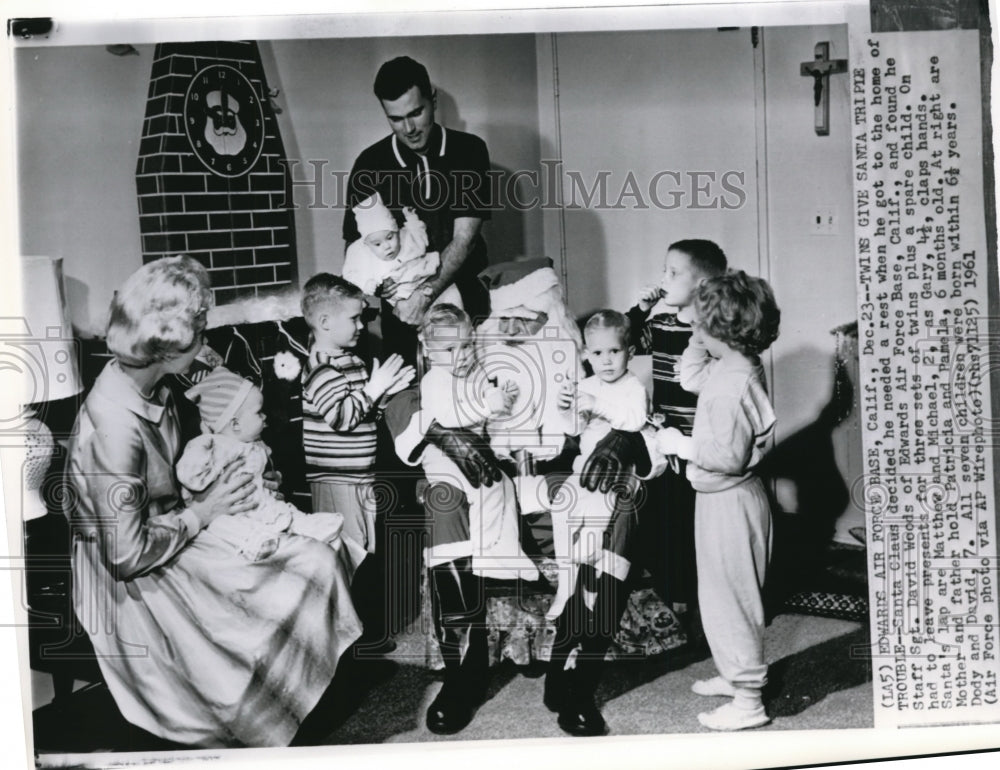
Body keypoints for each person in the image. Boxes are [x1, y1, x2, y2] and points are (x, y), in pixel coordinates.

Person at [64, 255, 364, 747]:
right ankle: (259, 709)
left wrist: (235, 489)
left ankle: (299, 692)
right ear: (164, 343)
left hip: (180, 527)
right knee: (295, 572)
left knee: (319, 553)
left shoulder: (156, 386)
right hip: (138, 572)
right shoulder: (114, 426)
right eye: (198, 330)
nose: (206, 339)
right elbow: (124, 555)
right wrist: (204, 512)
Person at [389, 259, 665, 738]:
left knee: (622, 498)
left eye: (529, 319)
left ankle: (575, 672)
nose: (515, 331)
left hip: (560, 483)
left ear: (555, 320)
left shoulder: (591, 362)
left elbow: (651, 424)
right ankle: (465, 672)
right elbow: (400, 400)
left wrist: (628, 441)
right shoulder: (467, 365)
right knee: (441, 498)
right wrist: (441, 432)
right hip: (489, 484)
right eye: (505, 320)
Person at [655, 270, 780, 731]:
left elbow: (725, 457)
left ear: (718, 332)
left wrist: (677, 443)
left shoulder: (730, 386)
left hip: (729, 499)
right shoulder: (735, 365)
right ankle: (735, 675)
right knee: (719, 595)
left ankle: (749, 702)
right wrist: (696, 335)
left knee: (733, 602)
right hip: (721, 500)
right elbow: (690, 379)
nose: (692, 329)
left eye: (698, 324)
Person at [344, 55, 493, 366]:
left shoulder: (469, 151)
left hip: (467, 308)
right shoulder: (368, 165)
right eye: (396, 119)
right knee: (411, 406)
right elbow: (357, 250)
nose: (409, 128)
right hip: (403, 316)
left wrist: (423, 295)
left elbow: (464, 240)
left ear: (433, 100)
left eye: (416, 112)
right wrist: (388, 291)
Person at [626, 238, 728, 632]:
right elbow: (622, 340)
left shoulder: (715, 331)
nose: (662, 278)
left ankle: (702, 606)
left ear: (702, 286)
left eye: (672, 272)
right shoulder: (662, 324)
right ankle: (673, 601)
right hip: (664, 443)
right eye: (663, 270)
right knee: (664, 523)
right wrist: (641, 309)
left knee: (698, 528)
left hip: (700, 444)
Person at [177, 366, 365, 569]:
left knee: (284, 512)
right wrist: (201, 448)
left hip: (260, 503)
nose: (265, 416)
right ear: (235, 424)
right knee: (224, 527)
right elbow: (189, 476)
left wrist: (273, 477)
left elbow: (265, 473)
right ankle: (254, 542)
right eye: (258, 412)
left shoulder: (254, 444)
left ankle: (303, 524)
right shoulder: (214, 446)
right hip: (231, 511)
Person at [416, 303, 538, 580]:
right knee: (487, 488)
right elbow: (448, 417)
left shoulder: (473, 373)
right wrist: (486, 404)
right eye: (449, 350)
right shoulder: (434, 380)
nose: (461, 356)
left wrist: (501, 395)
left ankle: (507, 549)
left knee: (505, 485)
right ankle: (487, 555)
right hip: (444, 458)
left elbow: (486, 403)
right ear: (429, 352)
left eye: (467, 346)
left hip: (472, 452)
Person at [300, 273, 415, 555]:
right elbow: (342, 418)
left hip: (360, 475)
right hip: (337, 479)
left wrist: (385, 394)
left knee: (365, 547)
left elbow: (363, 413)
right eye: (354, 319)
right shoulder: (321, 367)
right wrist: (374, 389)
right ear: (325, 322)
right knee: (347, 551)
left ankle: (361, 597)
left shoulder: (351, 361)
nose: (361, 325)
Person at [547, 310, 649, 621]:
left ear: (629, 353)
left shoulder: (633, 387)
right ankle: (566, 585)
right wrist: (566, 409)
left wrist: (597, 405)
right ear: (586, 355)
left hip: (617, 475)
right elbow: (576, 430)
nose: (606, 361)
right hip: (585, 471)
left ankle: (590, 580)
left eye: (614, 352)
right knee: (561, 507)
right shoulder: (587, 384)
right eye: (598, 353)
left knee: (597, 515)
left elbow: (634, 421)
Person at [341, 191, 462, 308]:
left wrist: (412, 218)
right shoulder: (369, 259)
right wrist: (368, 285)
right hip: (403, 302)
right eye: (377, 244)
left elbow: (419, 236)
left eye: (390, 237)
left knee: (453, 304)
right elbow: (353, 275)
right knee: (426, 323)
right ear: (368, 245)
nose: (387, 246)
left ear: (397, 232)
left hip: (430, 284)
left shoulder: (406, 241)